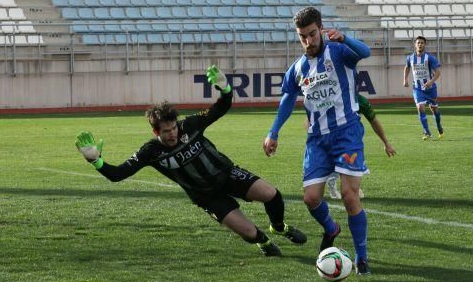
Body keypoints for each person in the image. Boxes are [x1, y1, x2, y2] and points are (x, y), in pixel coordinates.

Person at [76, 66, 307, 258]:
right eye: (166, 131)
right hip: (206, 196)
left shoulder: (191, 125)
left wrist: (225, 88)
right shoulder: (151, 151)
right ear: (156, 131)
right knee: (247, 232)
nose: (173, 134)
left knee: (271, 194)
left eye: (174, 127)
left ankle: (278, 227)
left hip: (227, 175)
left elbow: (221, 107)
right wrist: (96, 161)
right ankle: (264, 242)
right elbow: (118, 174)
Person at [263, 7, 374, 275]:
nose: (309, 41)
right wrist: (273, 131)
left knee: (349, 196)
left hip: (347, 132)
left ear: (321, 29)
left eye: (312, 34)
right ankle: (331, 228)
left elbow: (366, 52)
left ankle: (362, 257)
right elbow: (287, 99)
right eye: (303, 37)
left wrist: (345, 38)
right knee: (311, 198)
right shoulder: (298, 68)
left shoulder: (337, 51)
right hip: (317, 140)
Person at [326, 95, 396, 200]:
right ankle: (337, 179)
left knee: (350, 163)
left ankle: (342, 181)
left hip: (352, 139)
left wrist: (386, 143)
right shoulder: (330, 98)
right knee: (344, 161)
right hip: (336, 137)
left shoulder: (360, 100)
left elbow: (374, 120)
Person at [403, 35, 443, 140]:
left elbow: (438, 73)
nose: (420, 44)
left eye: (422, 43)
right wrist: (405, 79)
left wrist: (431, 81)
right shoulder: (410, 58)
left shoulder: (430, 58)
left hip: (430, 89)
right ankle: (427, 132)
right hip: (417, 88)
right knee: (420, 107)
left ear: (425, 45)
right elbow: (407, 67)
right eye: (418, 43)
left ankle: (439, 126)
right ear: (415, 45)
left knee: (434, 109)